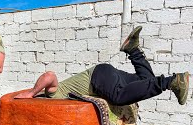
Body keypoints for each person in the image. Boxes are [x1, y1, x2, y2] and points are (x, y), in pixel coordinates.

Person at [15, 26, 189, 106]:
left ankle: (172, 81)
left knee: (119, 97)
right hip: (107, 73)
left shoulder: (53, 94)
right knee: (146, 80)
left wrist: (31, 93)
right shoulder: (57, 96)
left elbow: (50, 75)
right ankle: (133, 49)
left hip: (97, 77)